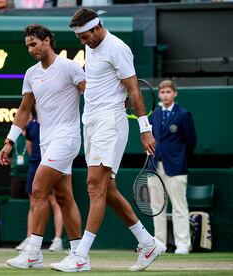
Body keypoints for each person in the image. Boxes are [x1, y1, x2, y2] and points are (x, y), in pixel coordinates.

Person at [50, 8, 166, 272]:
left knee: (94, 186)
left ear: (98, 27)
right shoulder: (92, 46)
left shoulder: (118, 48)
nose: (83, 42)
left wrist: (145, 129)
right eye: (79, 37)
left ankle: (80, 256)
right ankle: (148, 243)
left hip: (110, 124)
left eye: (85, 36)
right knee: (108, 191)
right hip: (91, 123)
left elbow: (134, 90)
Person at [0, 24, 85, 269]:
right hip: (46, 142)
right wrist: (9, 141)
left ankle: (33, 252)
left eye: (34, 44)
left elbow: (90, 92)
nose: (30, 49)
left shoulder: (69, 67)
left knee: (38, 189)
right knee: (65, 197)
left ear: (47, 41)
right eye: (27, 46)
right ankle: (79, 255)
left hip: (66, 138)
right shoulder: (31, 73)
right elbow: (24, 110)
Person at [149, 80, 197, 255]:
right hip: (154, 166)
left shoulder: (184, 114)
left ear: (175, 93)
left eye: (169, 92)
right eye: (162, 92)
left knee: (179, 206)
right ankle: (159, 245)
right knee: (157, 207)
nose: (165, 95)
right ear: (159, 94)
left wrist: (180, 159)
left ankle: (183, 244)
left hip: (176, 167)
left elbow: (191, 141)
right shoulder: (153, 114)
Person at [15, 107, 64, 252]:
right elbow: (30, 148)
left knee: (55, 202)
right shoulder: (31, 126)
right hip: (34, 166)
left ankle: (57, 240)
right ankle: (30, 239)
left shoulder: (55, 123)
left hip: (52, 164)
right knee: (33, 202)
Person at [9, 128, 29, 199]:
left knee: (33, 201)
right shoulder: (14, 136)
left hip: (30, 174)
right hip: (16, 175)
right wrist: (14, 166)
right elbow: (9, 155)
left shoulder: (33, 133)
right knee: (15, 201)